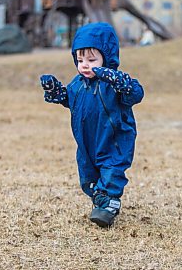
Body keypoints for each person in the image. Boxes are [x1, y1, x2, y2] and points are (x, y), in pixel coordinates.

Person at [40, 22, 144, 228]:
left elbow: (136, 93)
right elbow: (68, 99)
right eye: (80, 60)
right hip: (87, 144)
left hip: (113, 142)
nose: (85, 65)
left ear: (107, 57)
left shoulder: (114, 84)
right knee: (88, 179)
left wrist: (112, 77)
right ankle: (102, 200)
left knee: (111, 173)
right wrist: (54, 90)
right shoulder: (78, 84)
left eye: (91, 59)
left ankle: (108, 203)